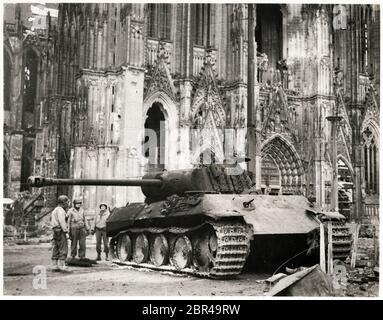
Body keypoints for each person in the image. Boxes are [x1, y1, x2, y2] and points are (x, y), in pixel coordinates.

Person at [51, 195, 70, 271]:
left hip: (55, 230)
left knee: (56, 247)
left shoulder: (55, 210)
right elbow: (62, 222)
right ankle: (62, 266)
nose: (68, 203)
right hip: (60, 230)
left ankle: (54, 265)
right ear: (63, 202)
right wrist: (66, 231)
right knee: (63, 247)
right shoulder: (61, 211)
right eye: (67, 202)